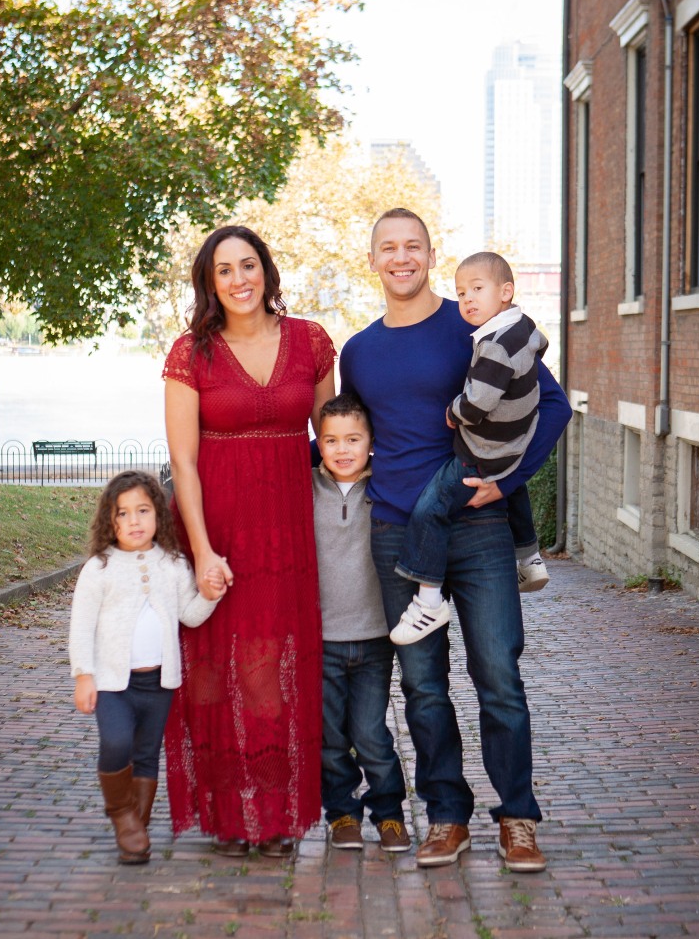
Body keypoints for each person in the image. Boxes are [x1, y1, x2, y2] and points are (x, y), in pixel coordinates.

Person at [339, 208, 572, 871]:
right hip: (396, 537)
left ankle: (518, 818)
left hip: (477, 527)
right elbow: (346, 441)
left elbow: (552, 407)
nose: (401, 257)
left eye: (413, 246)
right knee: (422, 687)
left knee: (498, 674)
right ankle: (447, 817)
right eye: (388, 247)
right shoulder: (357, 352)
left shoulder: (472, 326)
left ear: (430, 254)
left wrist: (508, 481)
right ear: (373, 258)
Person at [162, 224, 336, 858]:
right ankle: (229, 816)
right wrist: (203, 551)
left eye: (247, 265)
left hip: (290, 532)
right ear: (211, 285)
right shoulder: (191, 354)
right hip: (220, 528)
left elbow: (333, 438)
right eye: (224, 271)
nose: (239, 280)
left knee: (272, 671)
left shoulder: (312, 342)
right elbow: (183, 460)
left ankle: (275, 814)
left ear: (266, 270)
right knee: (214, 669)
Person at [390, 251, 548, 645]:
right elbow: (539, 346)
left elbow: (477, 404)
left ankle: (428, 601)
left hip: (482, 451)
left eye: (477, 290)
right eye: (461, 293)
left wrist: (453, 410)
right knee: (516, 491)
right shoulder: (524, 328)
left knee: (430, 509)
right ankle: (529, 556)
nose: (468, 301)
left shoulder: (493, 345)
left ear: (506, 291)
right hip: (514, 446)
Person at [69, 470, 224, 865]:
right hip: (112, 684)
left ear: (159, 515)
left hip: (159, 682)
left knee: (147, 753)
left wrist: (211, 594)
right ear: (110, 520)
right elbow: (82, 626)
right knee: (117, 743)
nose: (134, 521)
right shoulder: (99, 568)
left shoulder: (172, 563)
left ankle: (134, 830)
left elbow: (189, 615)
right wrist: (84, 675)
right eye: (123, 514)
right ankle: (121, 814)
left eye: (143, 510)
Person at [313, 393, 409, 852]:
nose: (342, 449)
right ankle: (342, 815)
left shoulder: (386, 488)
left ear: (372, 442)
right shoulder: (306, 487)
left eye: (353, 438)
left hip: (374, 638)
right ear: (319, 443)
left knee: (371, 734)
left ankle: (389, 814)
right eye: (331, 440)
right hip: (322, 640)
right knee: (330, 738)